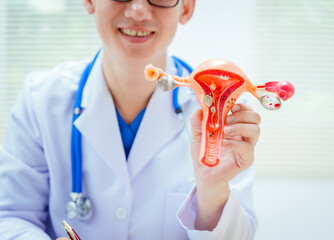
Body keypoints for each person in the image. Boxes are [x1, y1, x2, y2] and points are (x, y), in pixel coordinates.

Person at [0, 0, 261, 239]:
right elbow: (11, 217)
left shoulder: (225, 116)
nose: (138, 10)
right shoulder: (41, 100)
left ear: (186, 8)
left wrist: (212, 191)